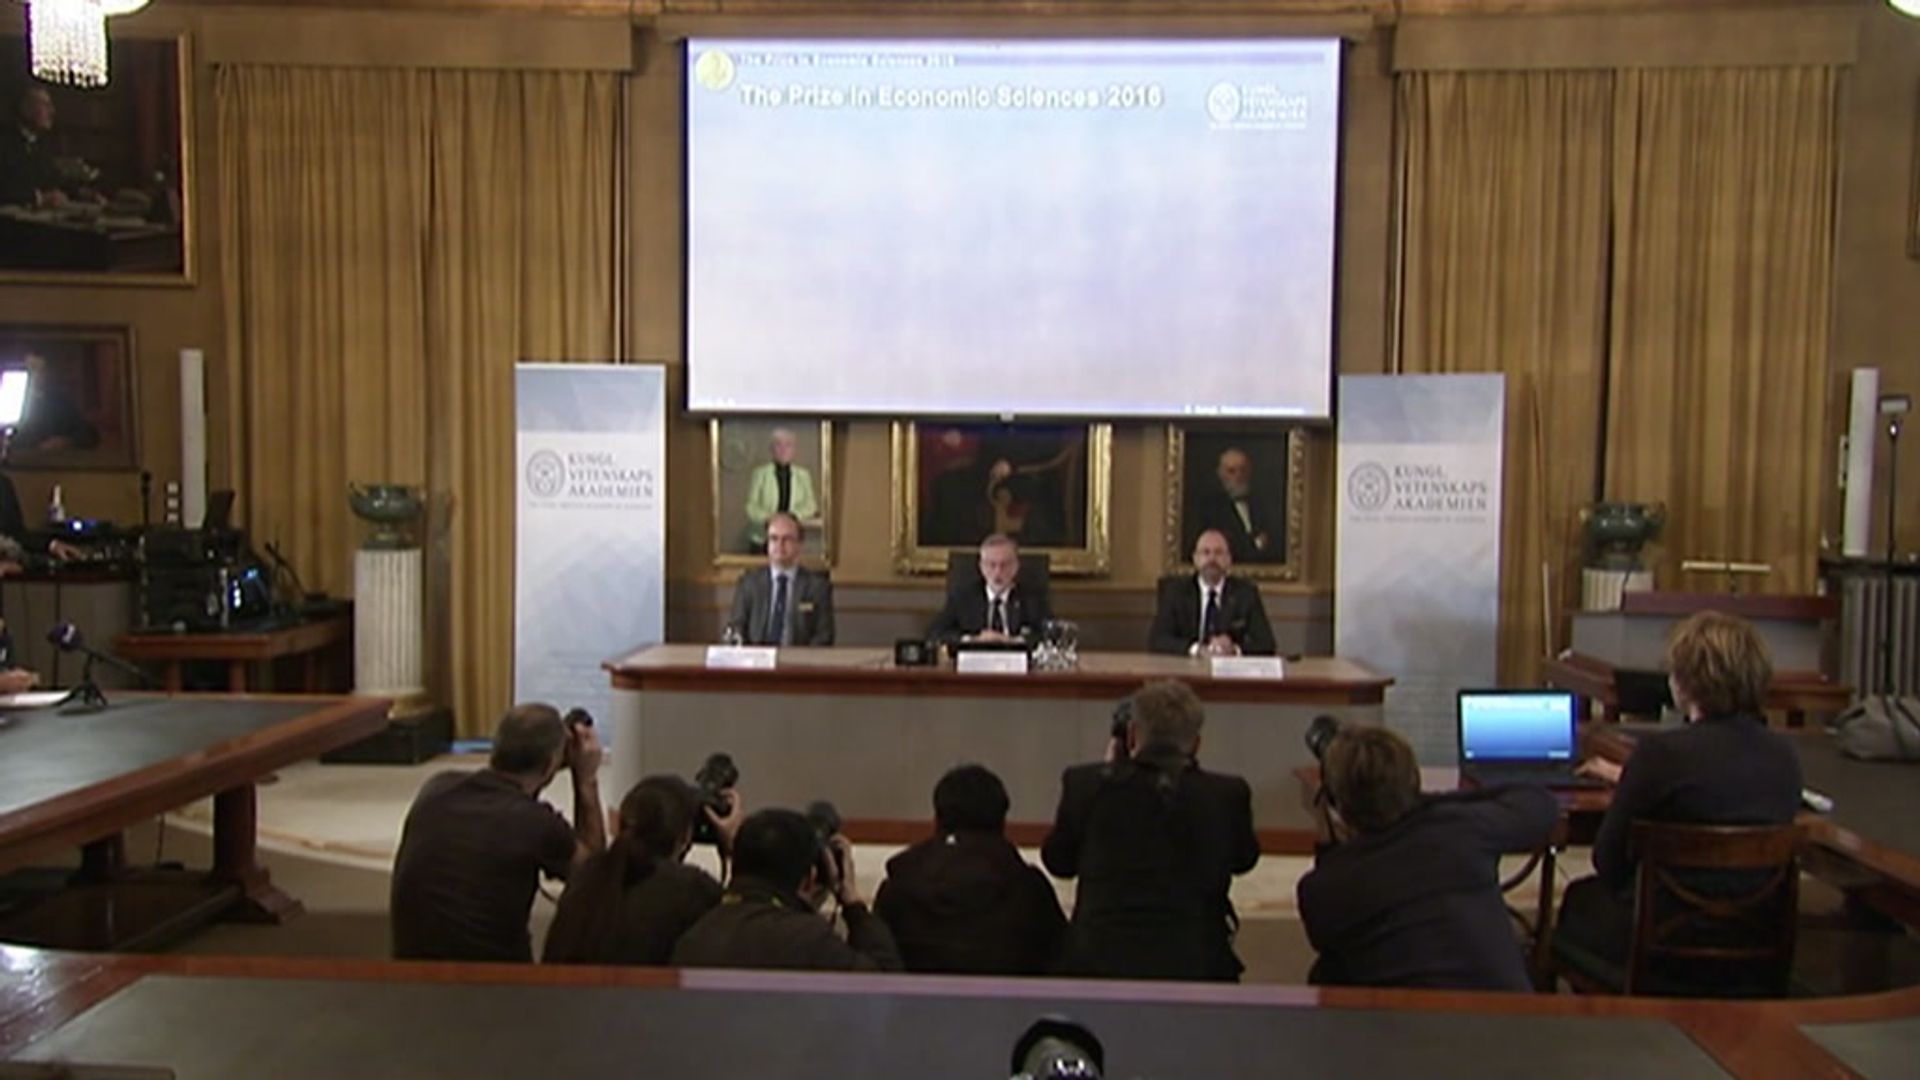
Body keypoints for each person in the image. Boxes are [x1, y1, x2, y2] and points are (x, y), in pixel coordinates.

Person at [1553, 611, 1803, 988]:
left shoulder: (1661, 756)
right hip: (1752, 940)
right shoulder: (1784, 757)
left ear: (1684, 684)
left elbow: (1608, 862)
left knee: (1579, 898)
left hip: (1662, 944)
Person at [1296, 725, 1557, 991]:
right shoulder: (1461, 829)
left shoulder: (1321, 889)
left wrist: (1325, 840)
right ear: (1414, 781)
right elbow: (1539, 801)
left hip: (1412, 1016)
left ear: (1337, 804)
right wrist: (1422, 801)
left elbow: (1328, 934)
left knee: (1329, 970)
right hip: (1509, 1011)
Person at [1041, 680, 1260, 981]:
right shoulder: (1227, 794)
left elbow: (1059, 862)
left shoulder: (1085, 785)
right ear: (1196, 744)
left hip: (1098, 964)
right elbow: (1244, 860)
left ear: (1131, 735)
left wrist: (1109, 775)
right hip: (1197, 964)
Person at [390, 703, 607, 962]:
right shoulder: (536, 823)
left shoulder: (436, 788)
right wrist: (585, 779)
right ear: (551, 763)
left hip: (410, 974)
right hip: (496, 980)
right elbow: (596, 875)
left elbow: (512, 799)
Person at [874, 764, 1066, 975]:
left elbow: (878, 960)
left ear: (937, 819)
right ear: (1002, 821)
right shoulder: (1031, 891)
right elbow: (1060, 961)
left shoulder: (898, 888)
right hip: (1010, 996)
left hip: (913, 997)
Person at [542, 774, 743, 965]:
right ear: (685, 837)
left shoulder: (586, 878)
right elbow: (744, 922)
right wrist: (735, 847)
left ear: (619, 824)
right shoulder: (692, 889)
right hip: (652, 991)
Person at [671, 807, 903, 972]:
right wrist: (853, 906)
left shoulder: (695, 934)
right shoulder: (809, 941)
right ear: (808, 880)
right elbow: (883, 987)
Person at [1148, 528, 1277, 657]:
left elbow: (1266, 644)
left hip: (1229, 667)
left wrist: (1233, 649)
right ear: (1195, 559)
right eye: (1206, 552)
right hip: (1187, 667)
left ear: (1229, 559)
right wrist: (1197, 649)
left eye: (1218, 553)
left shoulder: (1245, 593)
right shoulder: (1176, 592)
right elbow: (1157, 640)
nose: (1212, 559)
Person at [724, 511, 834, 646]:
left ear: (799, 545)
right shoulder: (749, 584)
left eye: (787, 539)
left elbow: (824, 636)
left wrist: (801, 657)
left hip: (799, 658)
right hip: (757, 657)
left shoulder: (817, 587)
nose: (780, 545)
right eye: (774, 538)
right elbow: (736, 628)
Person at [926, 534, 1052, 644]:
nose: (998, 572)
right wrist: (973, 640)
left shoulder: (1032, 598)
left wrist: (1013, 641)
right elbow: (935, 633)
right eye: (992, 565)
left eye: (1005, 565)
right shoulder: (963, 597)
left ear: (1016, 566)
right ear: (981, 567)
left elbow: (1050, 634)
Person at [1190, 448, 1283, 564]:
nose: (1239, 476)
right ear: (1221, 474)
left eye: (1243, 470)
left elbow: (1274, 538)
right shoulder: (1210, 508)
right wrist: (1255, 543)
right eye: (1232, 471)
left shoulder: (1261, 504)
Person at [742, 428, 819, 548]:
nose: (783, 449)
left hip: (792, 537)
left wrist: (792, 516)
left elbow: (811, 505)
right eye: (778, 445)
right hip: (762, 538)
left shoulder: (803, 475)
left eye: (788, 445)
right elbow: (751, 506)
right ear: (771, 449)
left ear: (794, 450)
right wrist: (770, 518)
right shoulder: (759, 474)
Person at [0, 84, 66, 209]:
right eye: (45, 105)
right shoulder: (4, 142)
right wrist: (38, 198)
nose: (52, 111)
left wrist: (83, 193)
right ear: (26, 108)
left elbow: (54, 179)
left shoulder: (41, 145)